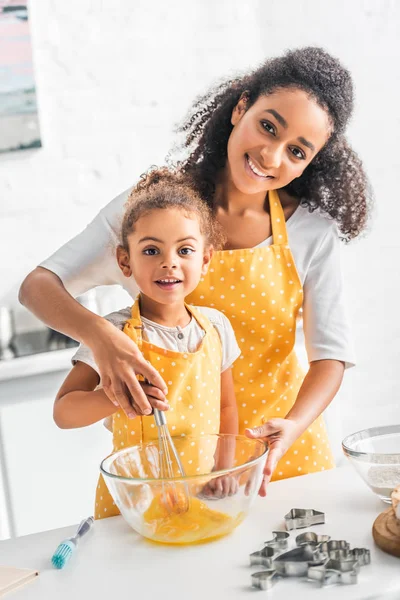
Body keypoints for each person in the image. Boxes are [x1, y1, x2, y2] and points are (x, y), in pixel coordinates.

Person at [20, 47, 371, 495]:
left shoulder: (310, 231)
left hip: (285, 459)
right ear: (241, 107)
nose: (270, 156)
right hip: (177, 468)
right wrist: (102, 338)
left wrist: (293, 427)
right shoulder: (152, 214)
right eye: (268, 126)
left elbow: (331, 356)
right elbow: (37, 287)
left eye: (296, 151)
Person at [53, 170, 241, 518]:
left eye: (184, 249)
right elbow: (64, 413)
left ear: (205, 259)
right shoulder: (115, 333)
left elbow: (227, 408)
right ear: (125, 261)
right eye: (151, 250)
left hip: (199, 497)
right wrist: (113, 396)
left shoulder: (216, 327)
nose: (169, 262)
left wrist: (224, 469)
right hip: (132, 508)